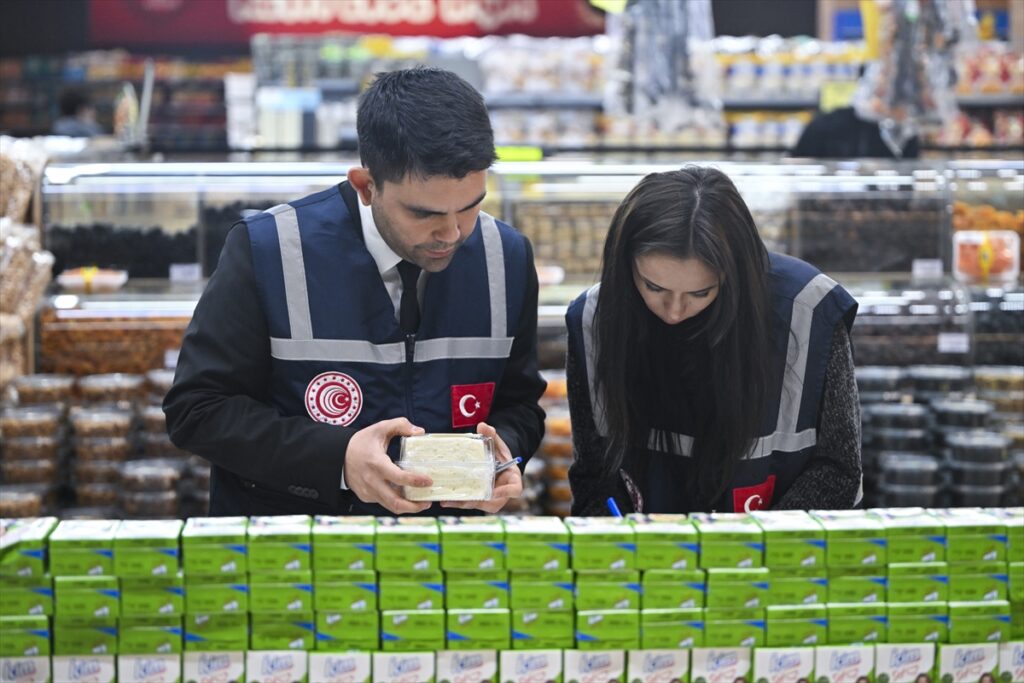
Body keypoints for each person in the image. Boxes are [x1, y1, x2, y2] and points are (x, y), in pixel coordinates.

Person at [164, 68, 546, 517]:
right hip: (295, 556)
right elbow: (198, 410)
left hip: (446, 561)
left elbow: (520, 405)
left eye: (471, 206)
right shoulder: (269, 250)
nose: (453, 233)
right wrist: (338, 458)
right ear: (366, 186)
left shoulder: (507, 256)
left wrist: (504, 453)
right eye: (425, 214)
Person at [565, 167, 861, 515]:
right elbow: (593, 475)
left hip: (779, 557)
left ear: (735, 274)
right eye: (653, 287)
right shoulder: (595, 317)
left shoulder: (807, 311)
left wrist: (751, 550)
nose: (674, 311)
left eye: (700, 292)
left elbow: (838, 470)